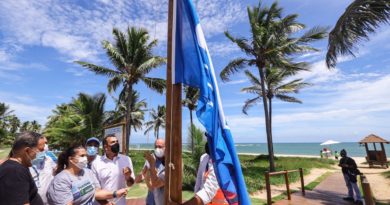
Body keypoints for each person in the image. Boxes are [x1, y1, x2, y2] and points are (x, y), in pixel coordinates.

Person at [46, 145, 127, 205]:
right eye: (82, 156)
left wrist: (112, 196)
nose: (85, 158)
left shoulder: (88, 172)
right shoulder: (61, 180)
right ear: (71, 159)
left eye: (86, 155)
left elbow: (96, 193)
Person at [0, 131, 44, 205]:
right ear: (27, 150)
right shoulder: (14, 171)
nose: (41, 154)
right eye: (40, 150)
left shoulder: (19, 167)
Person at [91, 134, 135, 205]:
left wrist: (128, 177)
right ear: (106, 147)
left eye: (117, 141)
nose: (116, 143)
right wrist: (106, 203)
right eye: (113, 142)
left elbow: (131, 184)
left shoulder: (126, 159)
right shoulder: (96, 163)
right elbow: (95, 190)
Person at [135, 139, 166, 205]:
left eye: (160, 147)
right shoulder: (151, 158)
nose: (157, 149)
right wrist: (139, 177)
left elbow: (156, 184)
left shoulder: (169, 161)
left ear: (166, 147)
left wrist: (152, 165)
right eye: (156, 147)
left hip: (162, 201)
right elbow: (141, 176)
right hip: (150, 200)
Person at [30, 136, 57, 204]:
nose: (45, 146)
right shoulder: (24, 164)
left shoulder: (48, 159)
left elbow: (55, 171)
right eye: (43, 143)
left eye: (46, 143)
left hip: (49, 200)